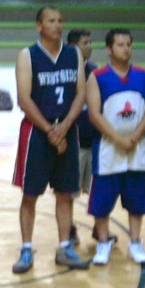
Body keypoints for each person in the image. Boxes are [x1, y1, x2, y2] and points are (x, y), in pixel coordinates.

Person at [11, 6, 89, 274]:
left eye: (60, 21)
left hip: (67, 130)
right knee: (30, 195)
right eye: (51, 21)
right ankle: (26, 248)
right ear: (38, 26)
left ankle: (65, 247)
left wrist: (64, 127)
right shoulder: (27, 55)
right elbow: (24, 99)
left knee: (65, 194)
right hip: (37, 132)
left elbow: (81, 93)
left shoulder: (74, 53)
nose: (57, 25)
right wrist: (50, 131)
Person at [86, 29, 145, 266]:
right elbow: (94, 115)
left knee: (137, 201)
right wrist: (118, 138)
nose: (126, 49)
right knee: (102, 202)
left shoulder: (143, 75)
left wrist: (134, 137)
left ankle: (135, 243)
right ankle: (103, 242)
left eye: (128, 44)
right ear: (109, 49)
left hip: (137, 150)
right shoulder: (97, 77)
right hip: (108, 150)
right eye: (120, 44)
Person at [67, 28, 98, 197]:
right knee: (69, 194)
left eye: (90, 42)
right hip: (74, 144)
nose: (89, 47)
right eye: (85, 43)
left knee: (94, 192)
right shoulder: (66, 71)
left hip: (93, 142)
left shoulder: (95, 70)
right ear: (73, 47)